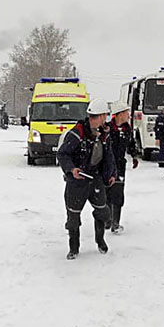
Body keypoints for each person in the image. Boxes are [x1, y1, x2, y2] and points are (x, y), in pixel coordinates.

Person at [57, 98, 116, 259]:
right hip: (77, 181)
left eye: (99, 117)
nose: (95, 120)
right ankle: (74, 248)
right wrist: (72, 169)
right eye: (92, 117)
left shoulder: (104, 134)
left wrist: (111, 174)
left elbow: (108, 157)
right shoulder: (77, 133)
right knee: (73, 217)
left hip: (95, 179)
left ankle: (100, 240)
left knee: (102, 211)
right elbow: (62, 154)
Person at [106, 101, 139, 234]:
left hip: (120, 165)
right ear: (119, 114)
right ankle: (107, 220)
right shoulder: (107, 128)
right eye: (126, 113)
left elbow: (131, 144)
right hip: (106, 166)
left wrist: (134, 156)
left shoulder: (127, 128)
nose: (128, 115)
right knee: (107, 192)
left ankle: (115, 223)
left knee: (118, 193)